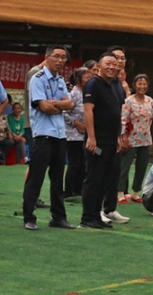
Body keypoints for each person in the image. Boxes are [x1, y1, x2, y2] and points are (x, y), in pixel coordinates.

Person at [22, 45, 75, 231]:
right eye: (57, 57)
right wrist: (60, 105)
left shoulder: (60, 80)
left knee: (57, 178)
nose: (60, 61)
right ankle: (29, 217)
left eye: (63, 58)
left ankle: (58, 217)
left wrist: (56, 104)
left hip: (60, 135)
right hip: (43, 135)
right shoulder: (37, 79)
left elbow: (71, 103)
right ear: (47, 57)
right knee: (36, 177)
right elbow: (43, 107)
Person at [81, 51, 130, 229]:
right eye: (107, 63)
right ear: (99, 66)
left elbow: (117, 113)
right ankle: (87, 217)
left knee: (106, 179)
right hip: (97, 141)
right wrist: (92, 138)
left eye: (114, 64)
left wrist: (118, 136)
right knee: (93, 179)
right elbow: (88, 111)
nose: (111, 66)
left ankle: (97, 216)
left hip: (111, 141)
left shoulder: (116, 85)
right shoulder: (93, 84)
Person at [118, 73, 153, 203]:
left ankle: (135, 192)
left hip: (145, 138)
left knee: (142, 166)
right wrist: (123, 137)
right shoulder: (129, 101)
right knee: (125, 166)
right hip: (131, 138)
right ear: (134, 85)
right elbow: (123, 119)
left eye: (144, 84)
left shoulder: (150, 101)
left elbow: (150, 119)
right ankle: (120, 192)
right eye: (139, 84)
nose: (142, 86)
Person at [62, 67, 91, 197]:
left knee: (83, 163)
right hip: (73, 134)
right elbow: (64, 113)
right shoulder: (72, 94)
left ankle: (79, 189)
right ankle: (68, 190)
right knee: (74, 164)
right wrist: (76, 123)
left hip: (85, 134)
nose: (89, 80)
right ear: (78, 79)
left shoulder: (87, 92)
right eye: (87, 77)